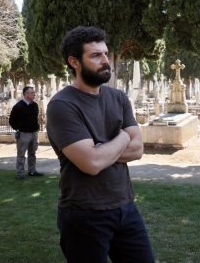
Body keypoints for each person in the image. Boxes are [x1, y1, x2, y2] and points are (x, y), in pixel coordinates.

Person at [46, 26, 154, 263]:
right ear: (74, 62)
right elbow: (92, 163)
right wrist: (124, 136)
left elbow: (138, 150)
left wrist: (102, 147)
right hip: (84, 214)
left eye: (105, 54)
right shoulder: (62, 105)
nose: (106, 61)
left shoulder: (118, 98)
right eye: (96, 55)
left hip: (125, 207)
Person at [9, 86, 43, 180]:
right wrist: (18, 129)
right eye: (31, 93)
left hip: (34, 133)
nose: (34, 94)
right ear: (26, 94)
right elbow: (12, 121)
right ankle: (20, 173)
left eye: (34, 92)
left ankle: (32, 171)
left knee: (32, 153)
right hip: (23, 134)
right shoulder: (18, 106)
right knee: (21, 154)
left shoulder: (35, 105)